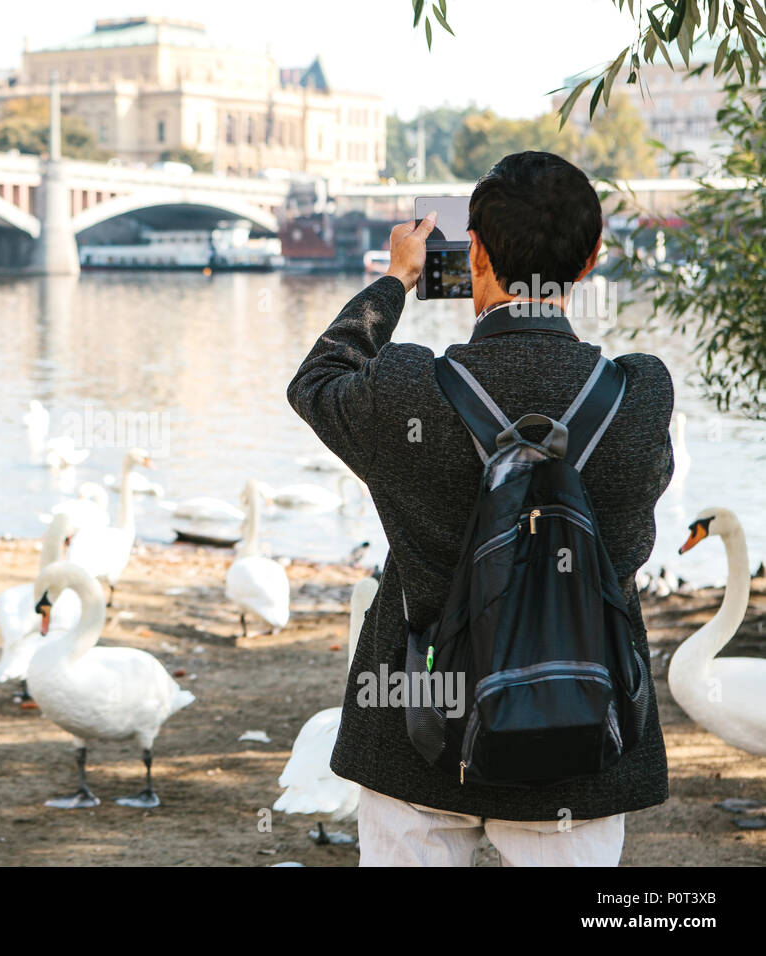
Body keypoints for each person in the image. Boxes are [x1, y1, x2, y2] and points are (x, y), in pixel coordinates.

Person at [287, 151, 673, 866]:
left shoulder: (404, 390)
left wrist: (396, 278)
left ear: (477, 255)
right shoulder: (639, 399)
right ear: (589, 260)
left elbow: (316, 382)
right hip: (583, 728)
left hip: (418, 730)